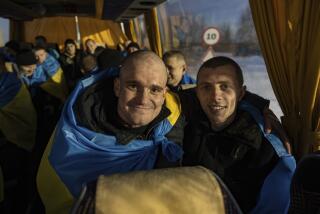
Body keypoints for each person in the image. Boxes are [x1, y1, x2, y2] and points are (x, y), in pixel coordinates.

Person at [37, 50, 184, 214]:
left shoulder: (173, 121)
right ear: (117, 87)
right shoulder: (76, 129)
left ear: (164, 94)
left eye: (154, 89)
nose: (143, 99)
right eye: (133, 86)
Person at [182, 56, 295, 213]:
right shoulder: (187, 125)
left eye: (225, 87)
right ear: (197, 93)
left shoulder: (265, 145)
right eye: (206, 87)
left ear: (241, 93)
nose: (215, 96)